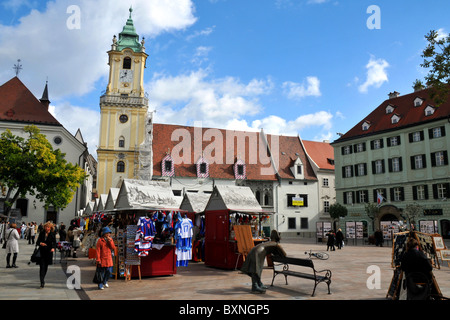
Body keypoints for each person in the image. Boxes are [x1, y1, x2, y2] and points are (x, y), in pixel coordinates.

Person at [36, 221, 56, 288]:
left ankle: (43, 278)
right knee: (42, 267)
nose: (46, 228)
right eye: (45, 227)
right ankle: (42, 281)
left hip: (49, 252)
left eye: (48, 227)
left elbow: (54, 243)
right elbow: (37, 242)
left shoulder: (52, 234)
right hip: (42, 252)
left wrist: (53, 248)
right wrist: (41, 243)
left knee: (46, 267)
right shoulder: (42, 233)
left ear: (50, 228)